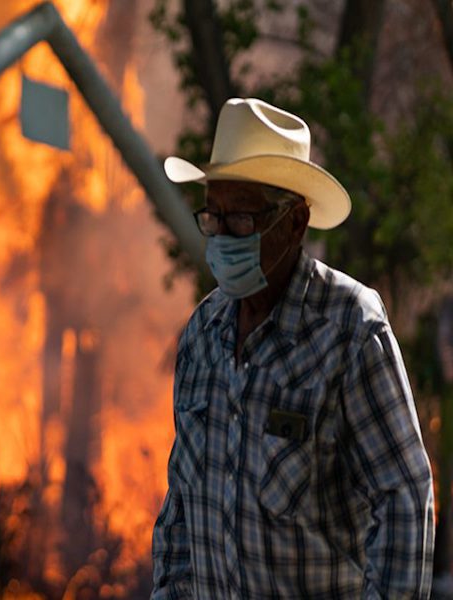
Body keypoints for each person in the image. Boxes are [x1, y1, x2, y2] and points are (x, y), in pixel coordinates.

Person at [151, 98, 435, 599]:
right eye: (213, 216)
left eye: (241, 217)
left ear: (295, 222)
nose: (222, 236)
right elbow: (181, 510)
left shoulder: (349, 328)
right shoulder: (201, 336)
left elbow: (403, 498)